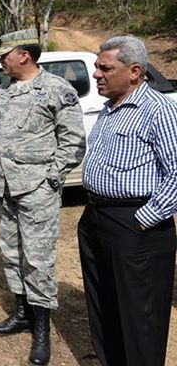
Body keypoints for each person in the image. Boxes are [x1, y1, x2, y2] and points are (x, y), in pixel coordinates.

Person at [0, 30, 86, 366]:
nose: (0, 61)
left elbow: (73, 142)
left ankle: (42, 332)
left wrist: (49, 179)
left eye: (4, 55)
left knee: (38, 260)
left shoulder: (56, 89)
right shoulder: (1, 93)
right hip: (5, 187)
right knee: (12, 253)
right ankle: (21, 313)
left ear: (24, 54)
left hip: (37, 190)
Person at [79, 36, 177, 366]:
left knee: (140, 319)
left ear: (135, 71)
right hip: (96, 219)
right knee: (105, 305)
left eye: (105, 68)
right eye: (96, 67)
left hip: (135, 227)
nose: (96, 75)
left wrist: (144, 219)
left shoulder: (159, 110)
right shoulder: (109, 109)